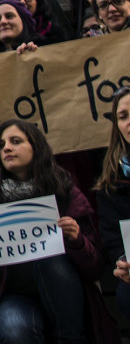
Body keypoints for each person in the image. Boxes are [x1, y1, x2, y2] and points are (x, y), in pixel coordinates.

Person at [0, 119, 119, 344]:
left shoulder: (65, 193)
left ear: (35, 147)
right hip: (15, 297)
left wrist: (76, 240)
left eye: (15, 141)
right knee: (13, 329)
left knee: (49, 260)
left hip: (67, 295)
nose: (6, 147)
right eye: (1, 145)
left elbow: (94, 268)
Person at [95, 86, 130, 321]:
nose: (129, 122)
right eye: (123, 116)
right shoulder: (110, 184)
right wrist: (123, 263)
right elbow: (115, 240)